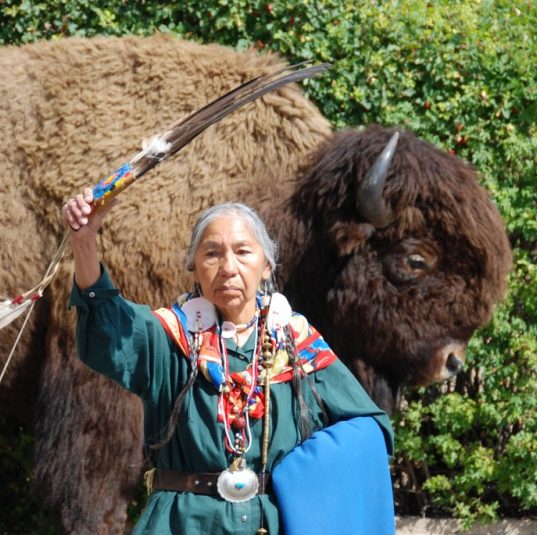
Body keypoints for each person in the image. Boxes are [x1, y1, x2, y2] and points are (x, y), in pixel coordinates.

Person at [62, 191, 395, 534]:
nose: (228, 268)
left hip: (269, 524)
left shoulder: (297, 344)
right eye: (212, 254)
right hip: (182, 524)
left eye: (243, 252)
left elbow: (367, 428)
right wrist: (84, 240)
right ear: (195, 267)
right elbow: (108, 322)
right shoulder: (170, 339)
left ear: (266, 266)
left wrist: (299, 476)